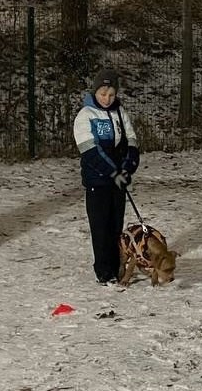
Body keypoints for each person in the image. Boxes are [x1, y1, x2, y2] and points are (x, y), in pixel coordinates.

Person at [73, 68, 140, 284]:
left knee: (115, 225)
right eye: (103, 94)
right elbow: (90, 150)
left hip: (118, 180)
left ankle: (116, 266)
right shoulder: (86, 116)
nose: (107, 98)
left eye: (111, 94)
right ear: (95, 92)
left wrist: (127, 168)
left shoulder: (120, 112)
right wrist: (113, 172)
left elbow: (131, 141)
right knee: (100, 227)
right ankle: (104, 271)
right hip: (98, 182)